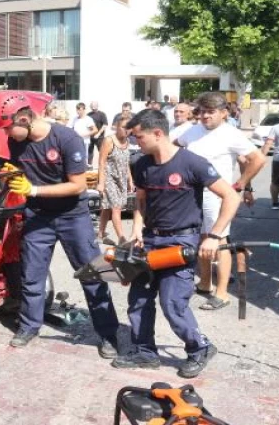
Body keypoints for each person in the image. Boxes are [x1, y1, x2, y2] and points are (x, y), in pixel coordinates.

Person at [0, 92, 121, 357]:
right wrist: (10, 175)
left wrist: (33, 190)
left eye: (7, 127)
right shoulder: (17, 142)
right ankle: (29, 326)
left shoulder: (66, 139)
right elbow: (19, 173)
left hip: (73, 217)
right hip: (38, 217)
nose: (5, 134)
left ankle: (108, 334)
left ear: (24, 118)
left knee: (93, 274)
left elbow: (78, 185)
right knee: (32, 276)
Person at [113, 109, 241, 378]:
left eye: (138, 137)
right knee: (139, 299)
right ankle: (145, 353)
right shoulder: (142, 164)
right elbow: (141, 199)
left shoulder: (192, 163)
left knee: (172, 303)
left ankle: (199, 349)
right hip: (149, 240)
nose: (135, 142)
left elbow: (231, 196)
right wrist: (137, 226)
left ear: (157, 133)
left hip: (180, 241)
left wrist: (215, 235)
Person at [176, 92, 265, 311]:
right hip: (194, 195)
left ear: (224, 113)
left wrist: (240, 184)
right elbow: (174, 146)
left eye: (210, 112)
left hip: (217, 197)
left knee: (220, 241)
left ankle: (222, 292)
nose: (205, 116)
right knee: (203, 238)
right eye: (202, 111)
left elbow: (258, 159)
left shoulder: (231, 134)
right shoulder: (192, 131)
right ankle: (205, 283)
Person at [96, 113, 132, 243]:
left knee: (106, 207)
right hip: (109, 178)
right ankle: (122, 238)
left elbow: (126, 162)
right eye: (123, 127)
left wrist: (130, 180)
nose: (126, 130)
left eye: (129, 127)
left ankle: (100, 234)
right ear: (116, 126)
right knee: (116, 208)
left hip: (121, 179)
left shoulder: (127, 141)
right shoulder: (109, 140)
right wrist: (101, 183)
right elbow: (101, 162)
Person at [88, 101, 109, 166]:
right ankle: (89, 165)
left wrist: (98, 134)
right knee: (89, 151)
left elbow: (105, 125)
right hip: (90, 136)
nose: (93, 107)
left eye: (94, 106)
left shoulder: (102, 114)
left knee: (102, 151)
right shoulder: (88, 114)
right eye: (92, 106)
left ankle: (103, 165)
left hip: (99, 137)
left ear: (97, 106)